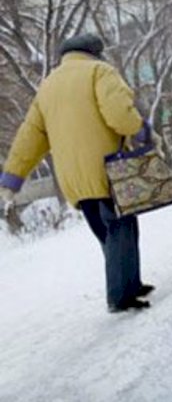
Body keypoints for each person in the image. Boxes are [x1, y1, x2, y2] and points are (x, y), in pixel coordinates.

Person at [0, 34, 154, 313]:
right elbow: (119, 114)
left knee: (109, 231)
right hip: (108, 169)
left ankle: (130, 283)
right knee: (121, 227)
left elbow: (30, 136)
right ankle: (120, 296)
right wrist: (142, 131)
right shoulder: (99, 71)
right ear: (95, 52)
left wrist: (13, 178)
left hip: (73, 179)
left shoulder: (48, 86)